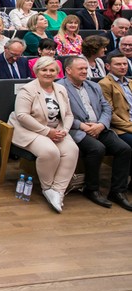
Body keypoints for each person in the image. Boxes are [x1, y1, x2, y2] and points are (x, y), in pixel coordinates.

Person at [60, 57, 132, 211]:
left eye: (86, 68)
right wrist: (83, 126)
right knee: (97, 149)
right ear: (68, 70)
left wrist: (101, 124)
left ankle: (118, 191)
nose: (85, 71)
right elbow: (61, 115)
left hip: (99, 127)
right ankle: (91, 188)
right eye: (80, 69)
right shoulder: (59, 87)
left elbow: (107, 109)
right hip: (76, 129)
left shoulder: (93, 86)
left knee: (124, 149)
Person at [8, 56, 79, 213]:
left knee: (72, 151)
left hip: (57, 130)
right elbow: (22, 116)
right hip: (30, 129)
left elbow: (68, 115)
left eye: (52, 70)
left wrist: (65, 130)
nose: (48, 73)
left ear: (57, 73)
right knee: (50, 151)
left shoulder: (61, 89)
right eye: (44, 70)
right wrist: (48, 132)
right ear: (36, 72)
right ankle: (47, 188)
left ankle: (58, 191)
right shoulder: (28, 90)